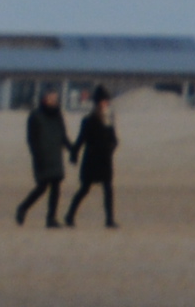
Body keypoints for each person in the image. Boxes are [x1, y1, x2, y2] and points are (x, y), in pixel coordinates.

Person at [62, 85, 120, 228]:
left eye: (106, 100)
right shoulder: (89, 120)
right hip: (92, 160)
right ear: (97, 102)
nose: (105, 103)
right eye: (103, 100)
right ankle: (69, 216)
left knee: (108, 189)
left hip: (105, 160)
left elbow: (114, 138)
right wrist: (74, 153)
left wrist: (112, 147)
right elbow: (81, 139)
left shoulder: (109, 118)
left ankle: (109, 220)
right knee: (85, 189)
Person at [11, 85, 69, 225]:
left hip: (55, 156)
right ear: (44, 99)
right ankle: (23, 208)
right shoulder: (36, 115)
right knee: (42, 187)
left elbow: (63, 135)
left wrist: (72, 149)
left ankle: (51, 218)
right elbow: (31, 139)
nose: (53, 101)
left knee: (56, 187)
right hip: (42, 157)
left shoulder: (58, 115)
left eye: (55, 98)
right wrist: (36, 155)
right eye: (50, 98)